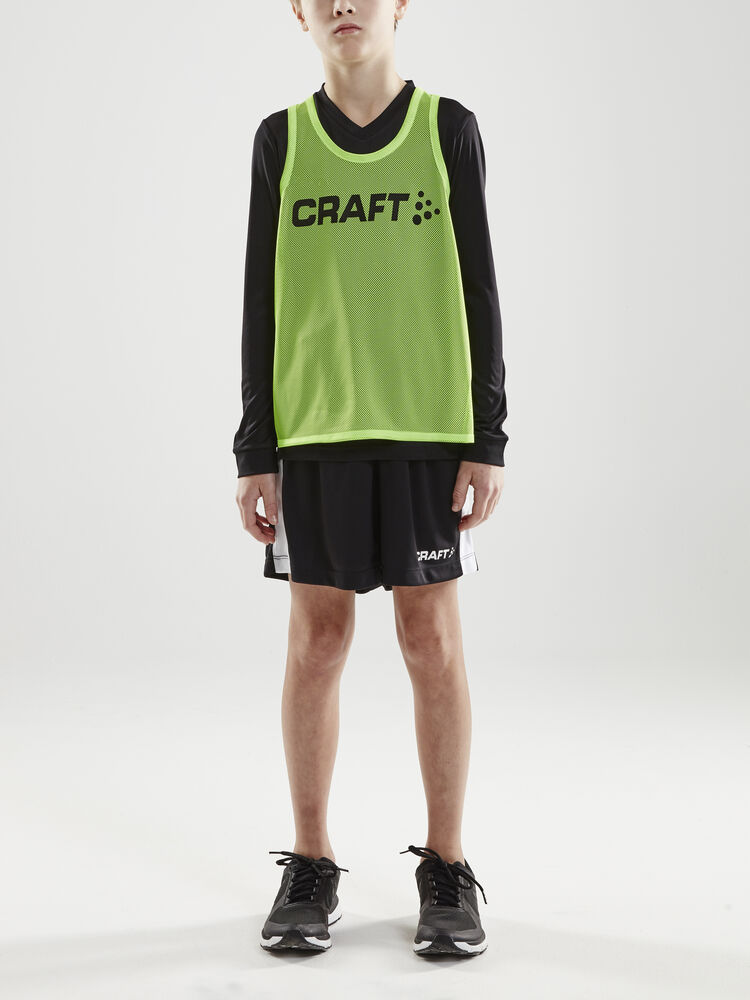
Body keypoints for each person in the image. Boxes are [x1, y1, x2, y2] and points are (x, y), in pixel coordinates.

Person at [234, 0, 507, 957]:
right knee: (317, 642)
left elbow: (480, 285)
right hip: (316, 431)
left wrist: (488, 434)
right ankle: (310, 861)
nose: (344, 4)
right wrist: (255, 447)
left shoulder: (447, 129)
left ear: (400, 5)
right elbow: (261, 297)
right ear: (298, 14)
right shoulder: (282, 141)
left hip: (428, 431)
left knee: (431, 640)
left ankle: (448, 866)